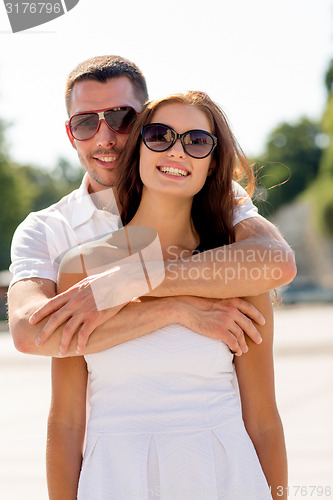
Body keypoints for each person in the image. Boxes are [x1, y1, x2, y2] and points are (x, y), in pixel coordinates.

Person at [47, 91, 287, 499]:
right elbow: (66, 424)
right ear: (137, 149)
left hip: (224, 478)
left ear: (212, 166)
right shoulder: (81, 267)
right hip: (114, 479)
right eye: (159, 135)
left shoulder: (236, 270)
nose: (177, 151)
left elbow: (263, 420)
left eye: (196, 141)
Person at [8, 55, 296, 360]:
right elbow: (30, 331)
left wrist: (128, 280)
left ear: (145, 122)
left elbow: (277, 260)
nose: (105, 139)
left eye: (121, 118)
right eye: (86, 123)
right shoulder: (44, 228)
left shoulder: (207, 195)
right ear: (71, 134)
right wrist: (173, 309)